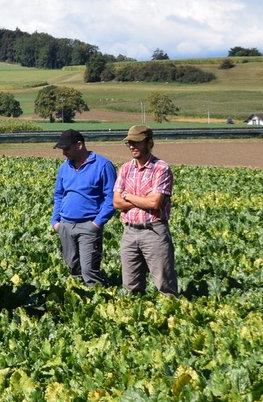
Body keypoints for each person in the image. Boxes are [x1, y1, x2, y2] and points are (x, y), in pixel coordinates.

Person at [114, 125, 178, 295]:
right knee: (130, 286)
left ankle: (171, 310)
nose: (132, 146)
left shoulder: (161, 168)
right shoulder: (125, 168)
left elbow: (154, 203)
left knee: (164, 284)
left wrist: (128, 195)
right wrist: (142, 199)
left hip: (154, 231)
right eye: (129, 143)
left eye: (137, 142)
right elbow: (117, 203)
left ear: (149, 143)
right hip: (129, 232)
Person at [50, 129, 117, 285]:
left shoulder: (103, 165)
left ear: (79, 145)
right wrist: (55, 222)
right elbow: (59, 195)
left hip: (88, 225)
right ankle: (79, 295)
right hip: (65, 225)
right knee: (72, 268)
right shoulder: (64, 167)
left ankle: (97, 296)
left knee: (89, 271)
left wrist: (96, 223)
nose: (63, 153)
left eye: (66, 148)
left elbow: (111, 197)